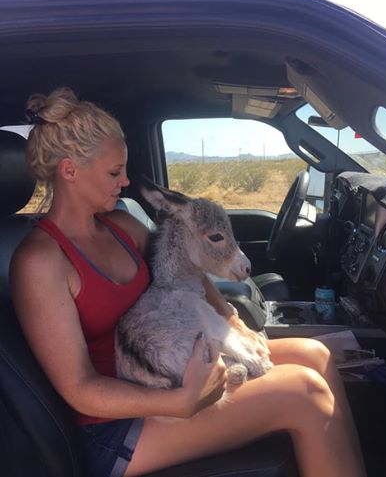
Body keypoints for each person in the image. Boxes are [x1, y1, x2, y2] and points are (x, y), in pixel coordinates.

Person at [10, 87, 367, 477]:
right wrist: (179, 403)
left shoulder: (122, 226)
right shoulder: (40, 261)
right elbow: (80, 388)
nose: (125, 181)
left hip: (174, 367)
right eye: (114, 172)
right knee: (305, 393)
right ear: (69, 171)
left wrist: (231, 320)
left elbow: (185, 268)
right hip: (116, 427)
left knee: (315, 355)